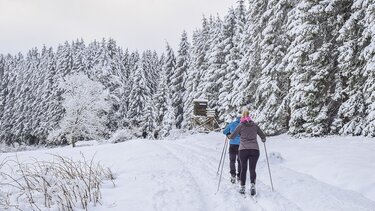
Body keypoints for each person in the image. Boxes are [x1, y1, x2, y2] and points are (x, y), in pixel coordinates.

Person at [227, 108, 266, 196]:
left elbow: (232, 136)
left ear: (242, 117)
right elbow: (263, 136)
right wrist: (263, 139)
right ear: (249, 116)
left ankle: (242, 187)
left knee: (243, 169)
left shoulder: (240, 125)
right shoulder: (255, 126)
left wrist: (228, 136)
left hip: (243, 150)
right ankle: (252, 185)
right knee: (252, 169)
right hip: (255, 150)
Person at [223, 111, 241, 183]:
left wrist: (228, 133)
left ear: (236, 118)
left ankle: (233, 175)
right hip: (241, 145)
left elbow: (224, 131)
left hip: (232, 145)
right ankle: (239, 176)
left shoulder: (232, 124)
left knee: (232, 160)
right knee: (240, 161)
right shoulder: (244, 125)